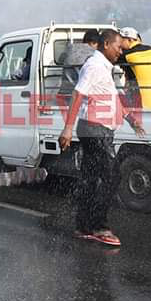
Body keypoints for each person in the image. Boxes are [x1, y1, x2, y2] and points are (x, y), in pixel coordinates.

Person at [58, 30, 144, 247]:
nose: (120, 52)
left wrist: (129, 118)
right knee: (111, 177)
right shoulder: (95, 66)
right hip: (95, 131)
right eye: (118, 48)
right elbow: (78, 94)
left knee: (90, 179)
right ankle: (99, 227)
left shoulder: (103, 68)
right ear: (106, 44)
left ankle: (83, 226)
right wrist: (67, 129)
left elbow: (112, 97)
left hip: (96, 130)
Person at [118, 27, 151, 110]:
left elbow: (110, 61)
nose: (119, 44)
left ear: (130, 40)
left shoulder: (126, 55)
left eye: (121, 40)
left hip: (144, 103)